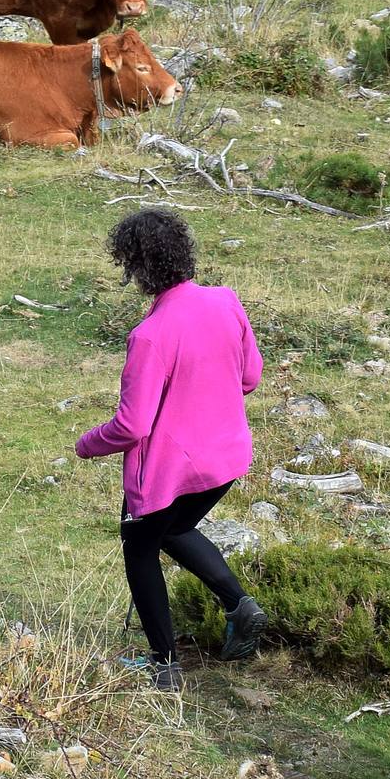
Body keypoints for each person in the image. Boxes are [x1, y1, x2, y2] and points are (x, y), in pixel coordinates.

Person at [74, 208, 267, 692]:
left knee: (140, 548)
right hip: (225, 461)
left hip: (165, 472)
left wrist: (86, 444)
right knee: (176, 529)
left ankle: (164, 667)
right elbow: (250, 377)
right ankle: (239, 606)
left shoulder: (149, 336)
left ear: (135, 267)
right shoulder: (225, 301)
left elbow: (132, 426)